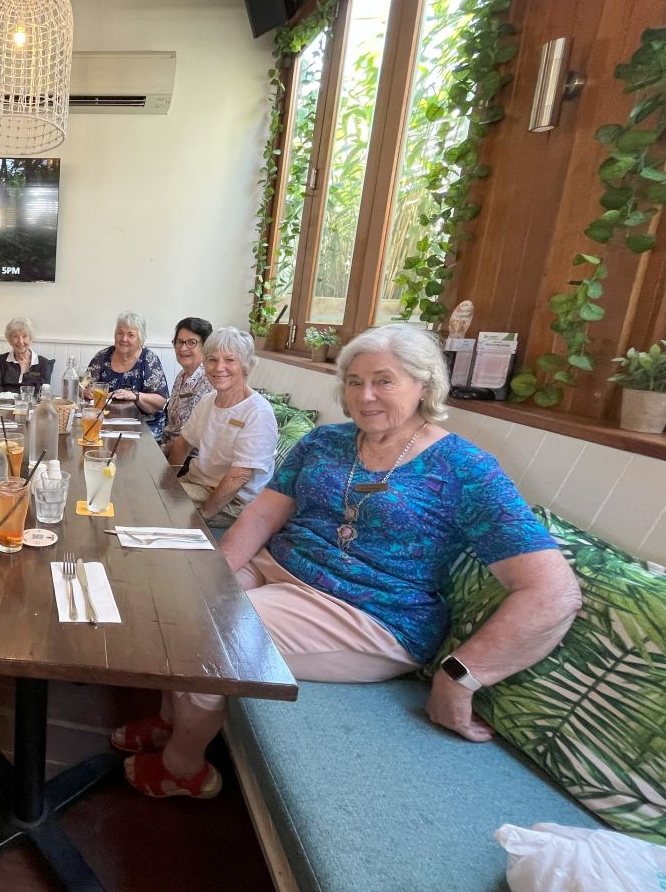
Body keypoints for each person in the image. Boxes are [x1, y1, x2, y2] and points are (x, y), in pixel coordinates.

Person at [114, 324, 581, 800]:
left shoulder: (465, 468)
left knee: (211, 636)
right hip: (280, 567)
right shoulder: (327, 442)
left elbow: (552, 591)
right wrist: (210, 577)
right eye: (355, 382)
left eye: (384, 380)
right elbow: (260, 516)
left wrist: (461, 676)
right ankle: (170, 721)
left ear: (425, 385)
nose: (366, 395)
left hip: (366, 613)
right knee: (180, 598)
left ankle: (184, 769)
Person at [163, 328, 277, 530]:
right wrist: (169, 482)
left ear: (246, 365)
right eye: (212, 360)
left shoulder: (258, 412)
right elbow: (182, 444)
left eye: (230, 360)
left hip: (232, 502)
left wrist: (202, 517)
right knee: (152, 493)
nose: (219, 367)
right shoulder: (209, 401)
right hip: (197, 484)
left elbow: (239, 477)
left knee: (157, 505)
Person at [86, 310, 169, 439]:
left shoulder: (149, 359)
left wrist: (134, 396)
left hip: (144, 425)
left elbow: (160, 400)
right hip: (105, 422)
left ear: (140, 339)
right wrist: (87, 392)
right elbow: (85, 388)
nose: (123, 339)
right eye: (120, 333)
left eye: (130, 335)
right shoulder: (102, 356)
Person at [160, 316, 214, 446]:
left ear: (205, 346)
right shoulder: (181, 376)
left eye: (191, 342)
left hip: (189, 457)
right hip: (167, 447)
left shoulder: (209, 381)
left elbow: (199, 438)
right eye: (179, 342)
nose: (183, 348)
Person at [0, 317, 55, 395]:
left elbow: (41, 392)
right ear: (9, 340)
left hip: (32, 405)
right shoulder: (1, 361)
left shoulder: (43, 363)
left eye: (24, 336)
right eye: (15, 336)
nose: (20, 341)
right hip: (4, 405)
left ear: (30, 339)